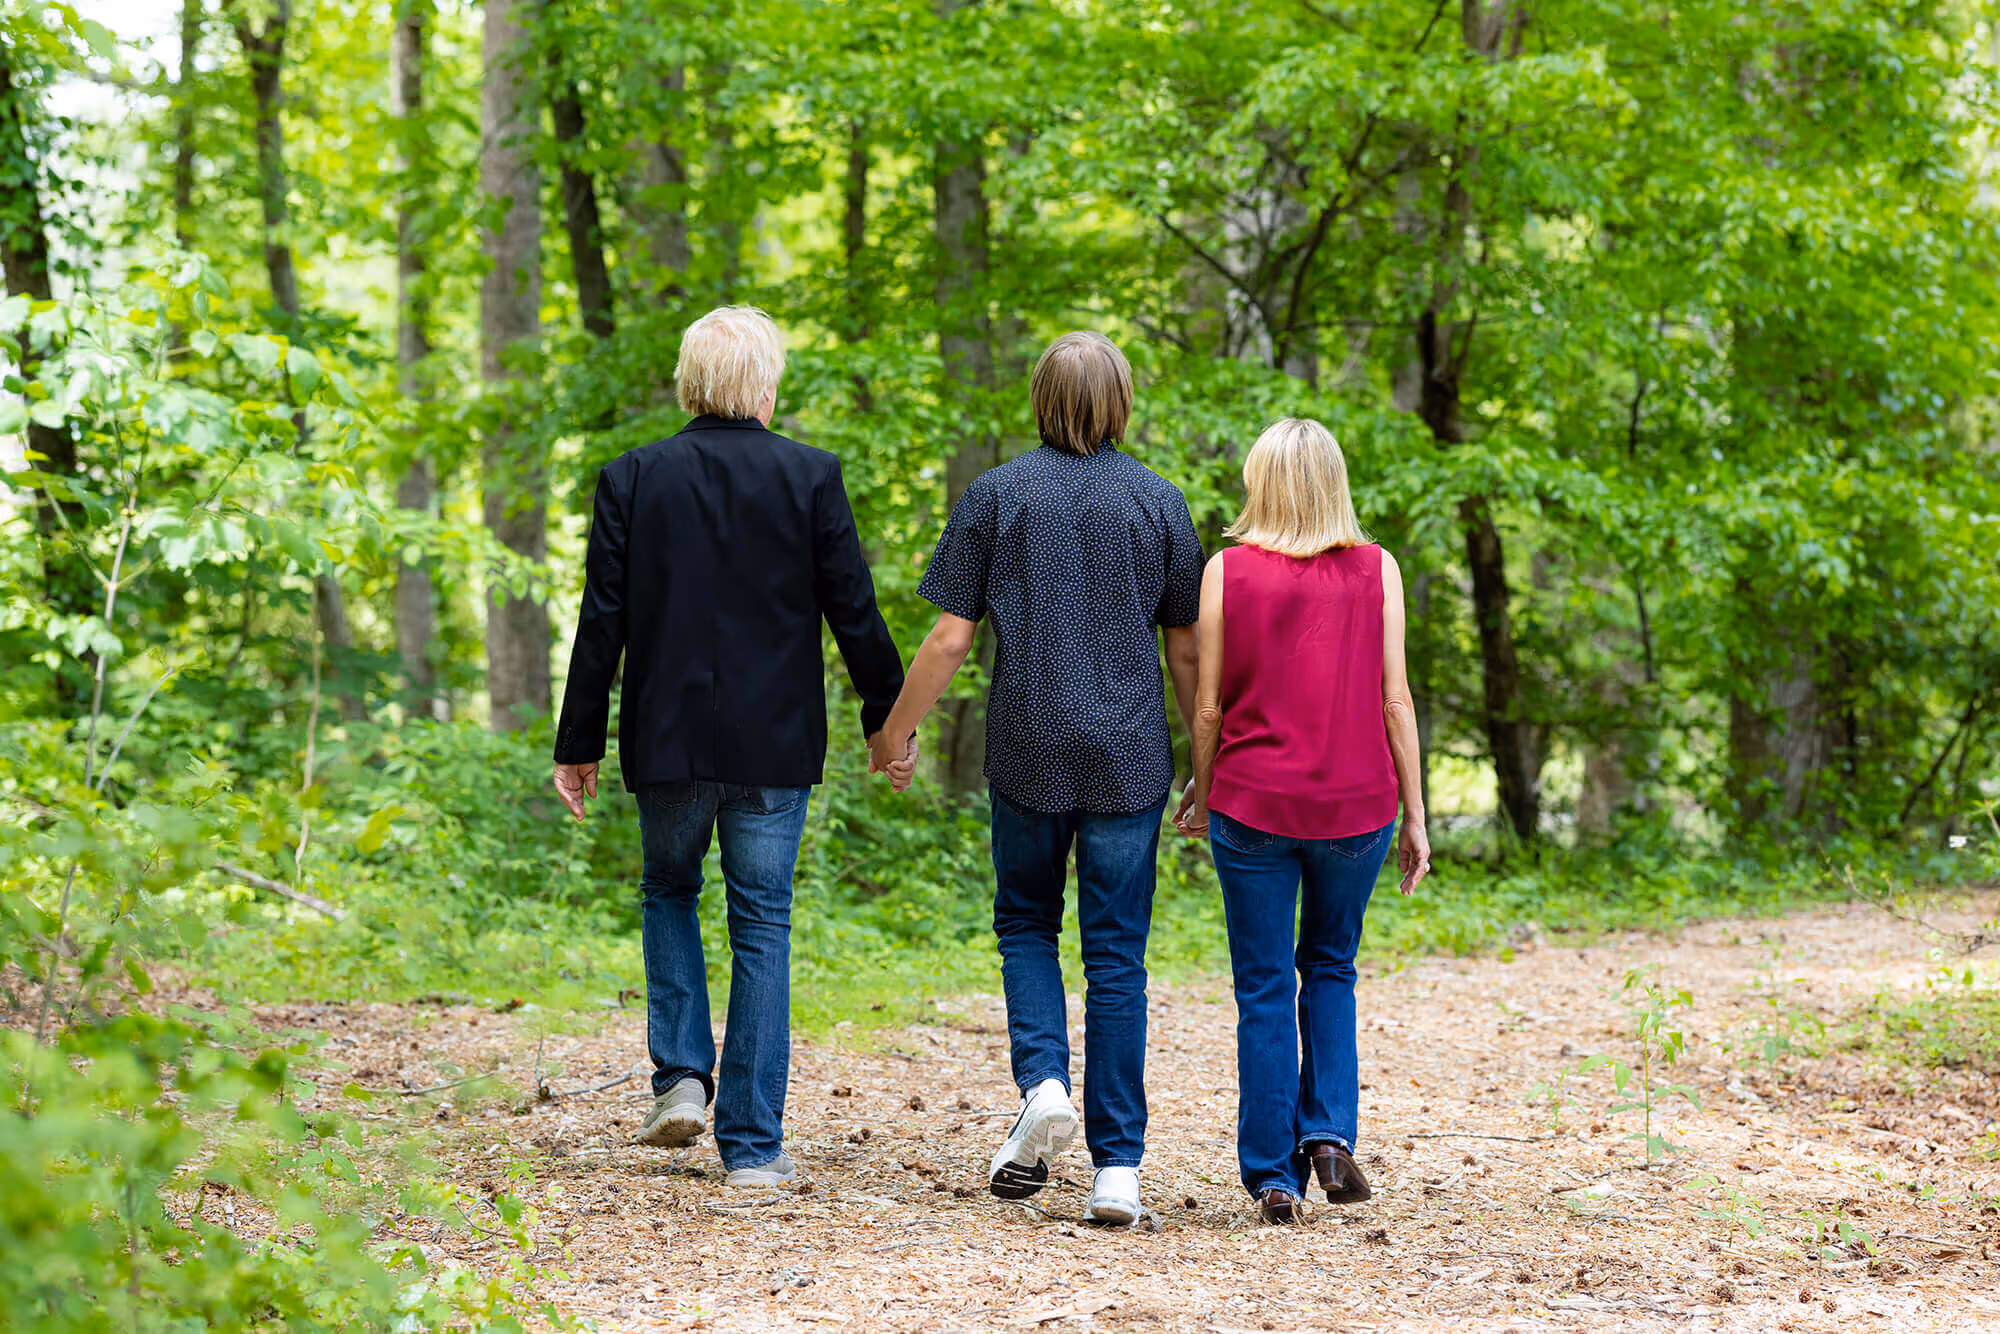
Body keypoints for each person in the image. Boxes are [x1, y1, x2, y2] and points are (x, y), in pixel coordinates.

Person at [550, 305, 915, 1189]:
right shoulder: (810, 476)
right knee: (763, 923)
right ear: (762, 387)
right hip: (774, 744)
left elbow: (602, 621)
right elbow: (853, 610)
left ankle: (680, 1076)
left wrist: (579, 740)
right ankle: (753, 1145)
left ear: (690, 384)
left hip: (667, 736)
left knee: (669, 889)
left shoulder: (632, 477)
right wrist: (887, 721)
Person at [870, 331, 1202, 1226]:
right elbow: (1185, 648)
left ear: (1039, 400)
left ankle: (1045, 1081)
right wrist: (1208, 769)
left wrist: (896, 733)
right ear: (1123, 401)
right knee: (1117, 956)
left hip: (1028, 747)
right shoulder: (1160, 502)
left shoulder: (996, 495)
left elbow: (949, 638)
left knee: (1024, 923)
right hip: (1130, 756)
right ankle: (1118, 1169)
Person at [1172, 417, 1431, 1224]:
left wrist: (1201, 785)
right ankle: (1328, 1136)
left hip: (1252, 802)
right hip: (1357, 806)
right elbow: (1395, 700)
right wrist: (1417, 815)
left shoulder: (1228, 572)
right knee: (1330, 967)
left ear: (1262, 482)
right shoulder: (1377, 568)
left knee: (1261, 985)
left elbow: (1209, 703)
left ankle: (1273, 1177)